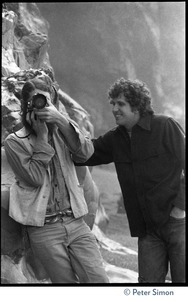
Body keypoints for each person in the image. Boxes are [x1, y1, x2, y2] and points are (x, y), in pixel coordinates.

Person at [74, 78, 185, 283]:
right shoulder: (115, 138)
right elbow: (85, 153)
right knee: (148, 288)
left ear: (137, 106)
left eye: (121, 104)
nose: (115, 108)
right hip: (147, 230)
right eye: (113, 103)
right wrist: (55, 131)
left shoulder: (165, 126)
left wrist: (180, 208)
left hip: (178, 224)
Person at [4, 73, 109, 284]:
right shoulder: (15, 142)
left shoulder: (65, 130)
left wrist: (60, 119)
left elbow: (86, 153)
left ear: (53, 101)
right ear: (26, 104)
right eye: (35, 100)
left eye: (45, 100)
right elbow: (33, 177)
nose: (40, 106)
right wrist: (42, 138)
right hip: (44, 230)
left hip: (77, 222)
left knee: (99, 281)